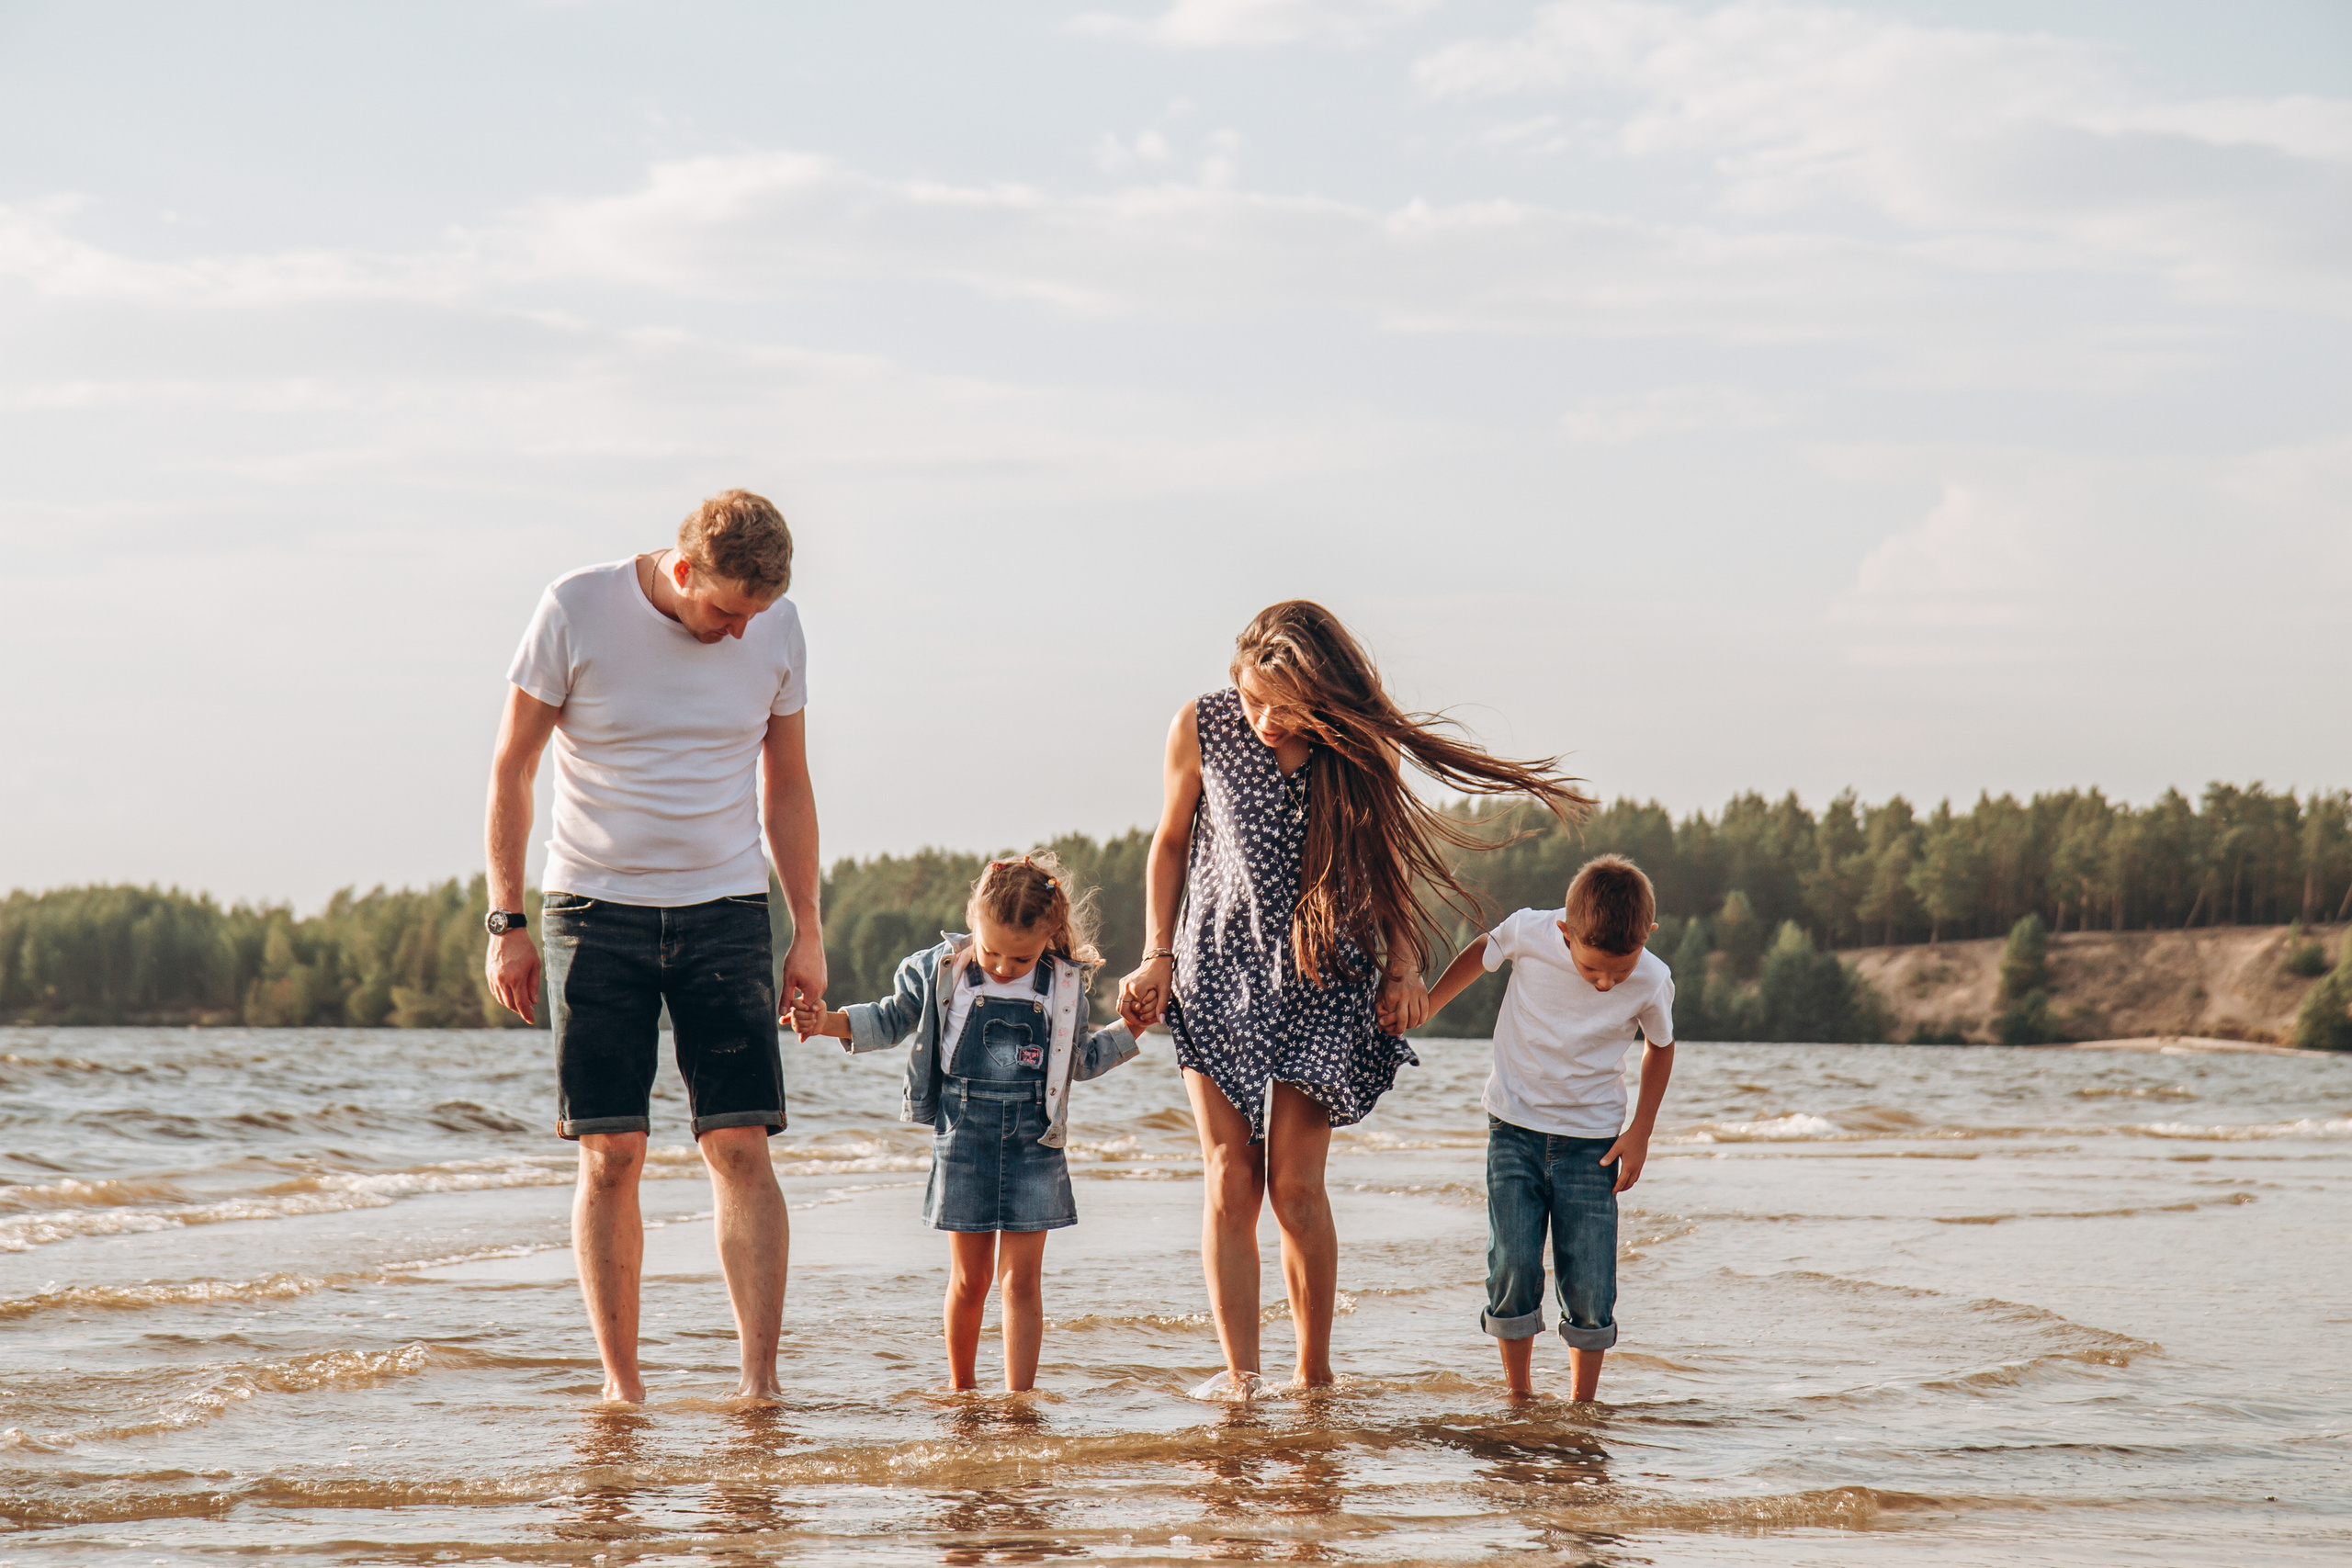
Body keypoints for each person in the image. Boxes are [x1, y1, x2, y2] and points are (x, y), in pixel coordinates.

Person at [1116, 601, 1591, 1399]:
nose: (1269, 718)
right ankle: (1241, 1380)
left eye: (1289, 704)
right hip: (1217, 969)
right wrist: (1155, 954)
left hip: (1323, 972)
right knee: (1232, 1176)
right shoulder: (1200, 724)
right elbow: (1170, 841)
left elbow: (1389, 868)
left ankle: (1313, 1378)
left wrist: (1404, 967)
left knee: (1294, 1188)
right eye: (1257, 696)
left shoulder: (1357, 747)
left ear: (1325, 695)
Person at [482, 488, 825, 1406]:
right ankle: (621, 1390)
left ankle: (759, 1385)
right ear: (683, 571)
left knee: (741, 1146)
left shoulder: (777, 629)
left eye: (754, 616)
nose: (738, 633)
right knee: (612, 1152)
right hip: (595, 913)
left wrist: (808, 933)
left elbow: (787, 787)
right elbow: (512, 768)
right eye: (724, 611)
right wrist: (506, 921)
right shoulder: (575, 607)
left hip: (726, 910)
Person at [793, 854, 1139, 1393]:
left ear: (1050, 936)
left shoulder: (1062, 987)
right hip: (963, 1135)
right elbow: (890, 1019)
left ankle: (1019, 1399)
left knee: (1021, 1282)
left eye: (1020, 958)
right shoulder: (943, 969)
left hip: (1036, 1141)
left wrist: (1131, 1029)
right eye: (992, 950)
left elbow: (1081, 1062)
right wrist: (827, 1023)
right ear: (973, 920)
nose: (1003, 967)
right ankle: (963, 1392)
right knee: (971, 1279)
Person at [1421, 854, 1677, 1402]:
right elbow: (1482, 952)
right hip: (1512, 1129)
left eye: (1620, 969)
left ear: (1647, 936)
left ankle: (1582, 1403)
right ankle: (1519, 1395)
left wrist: (1641, 1133)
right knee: (1512, 1264)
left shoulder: (1653, 978)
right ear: (1565, 932)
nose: (1607, 983)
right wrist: (1430, 1003)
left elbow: (1660, 1047)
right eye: (1592, 970)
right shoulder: (1530, 931)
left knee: (1588, 1278)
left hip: (1595, 1147)